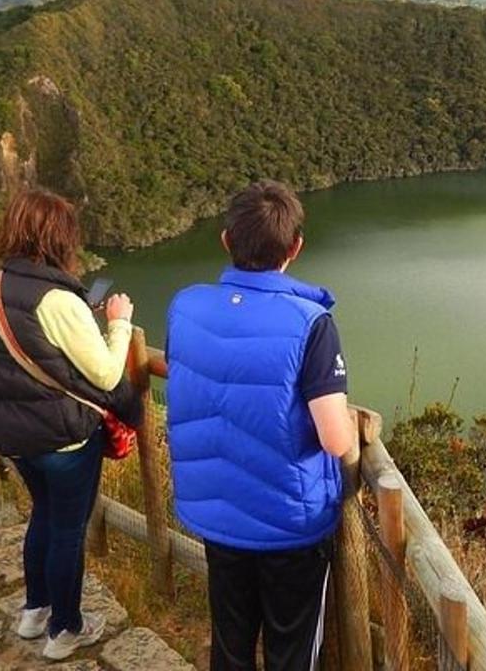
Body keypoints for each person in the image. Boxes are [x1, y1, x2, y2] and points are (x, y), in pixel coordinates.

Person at [166, 180, 354, 671]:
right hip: (290, 527)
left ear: (226, 240)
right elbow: (335, 438)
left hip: (217, 516)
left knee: (231, 643)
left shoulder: (185, 306)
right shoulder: (311, 324)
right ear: (295, 248)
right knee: (290, 652)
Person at [0, 188, 142, 661]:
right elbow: (106, 373)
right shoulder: (57, 300)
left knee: (42, 515)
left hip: (12, 434)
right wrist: (119, 323)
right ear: (58, 238)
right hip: (61, 437)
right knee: (67, 529)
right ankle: (66, 630)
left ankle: (34, 610)